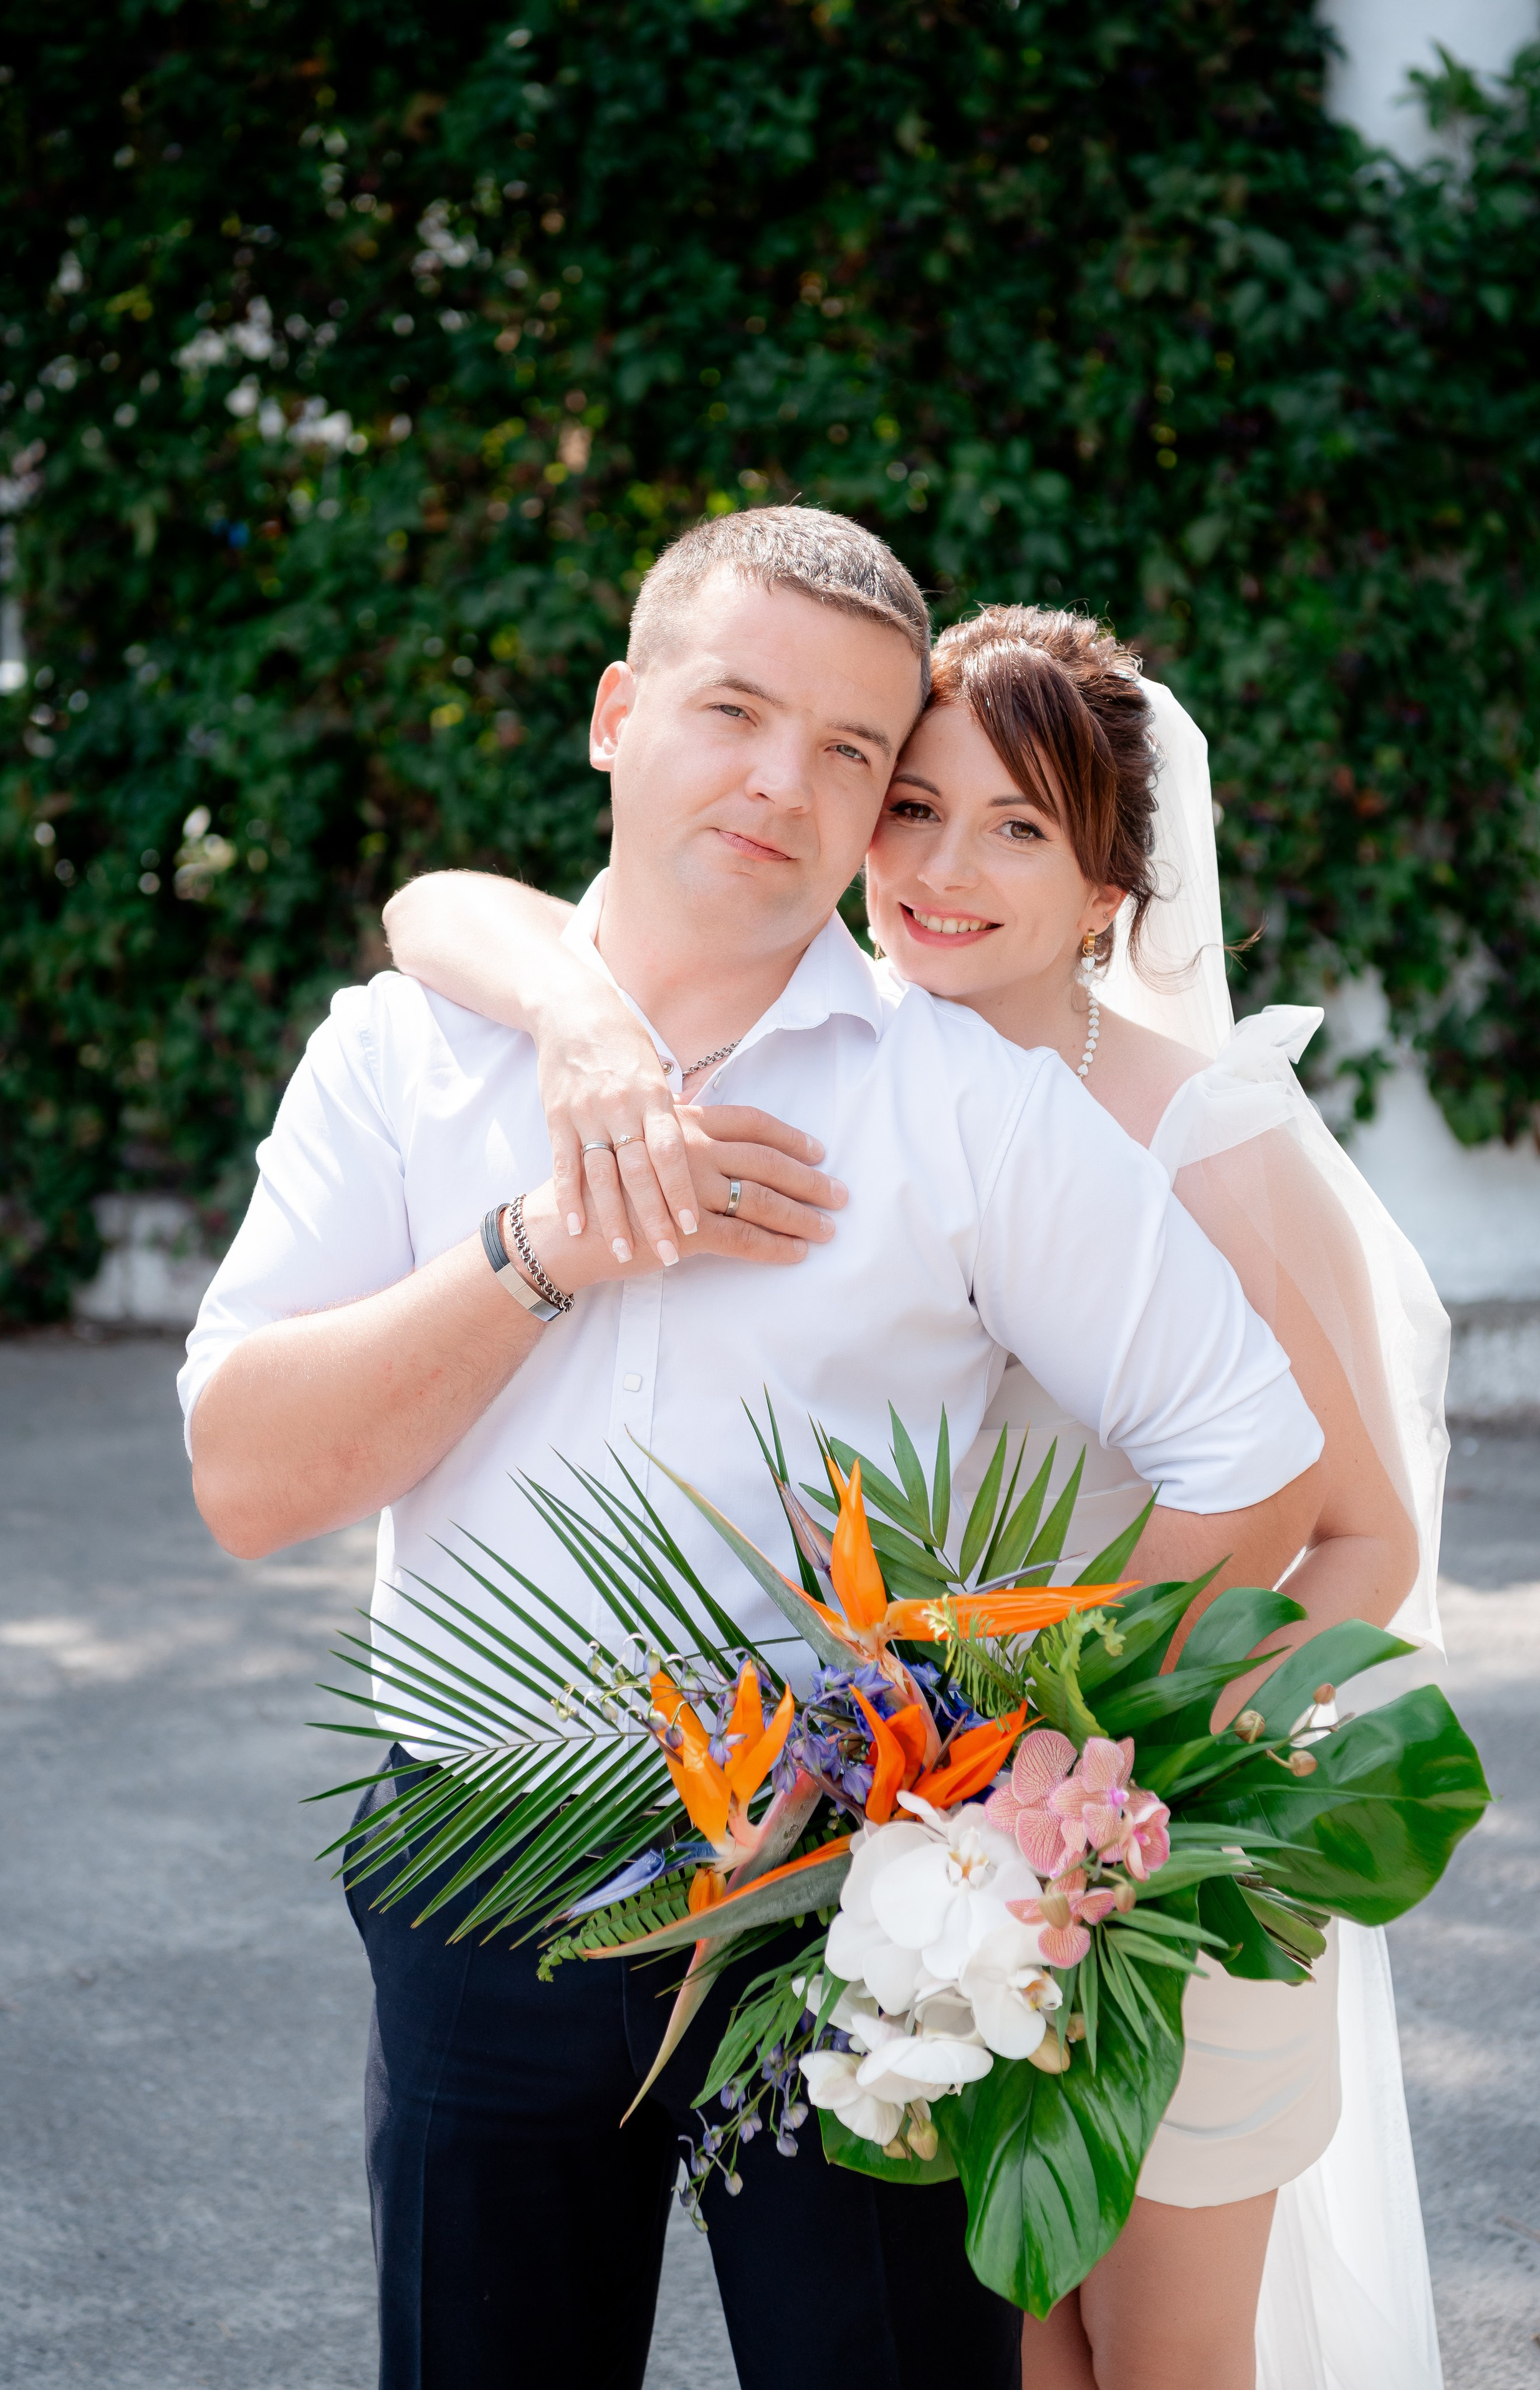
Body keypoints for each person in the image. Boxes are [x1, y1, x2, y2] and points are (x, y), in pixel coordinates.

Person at [179, 508, 1329, 2390]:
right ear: (619, 712)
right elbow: (247, 1479)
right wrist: (547, 1247)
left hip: (855, 1910)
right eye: (734, 709)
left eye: (853, 752)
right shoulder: (404, 1059)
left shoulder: (963, 1101)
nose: (785, 782)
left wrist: (1003, 1790)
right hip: (488, 1867)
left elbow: (1254, 1452)